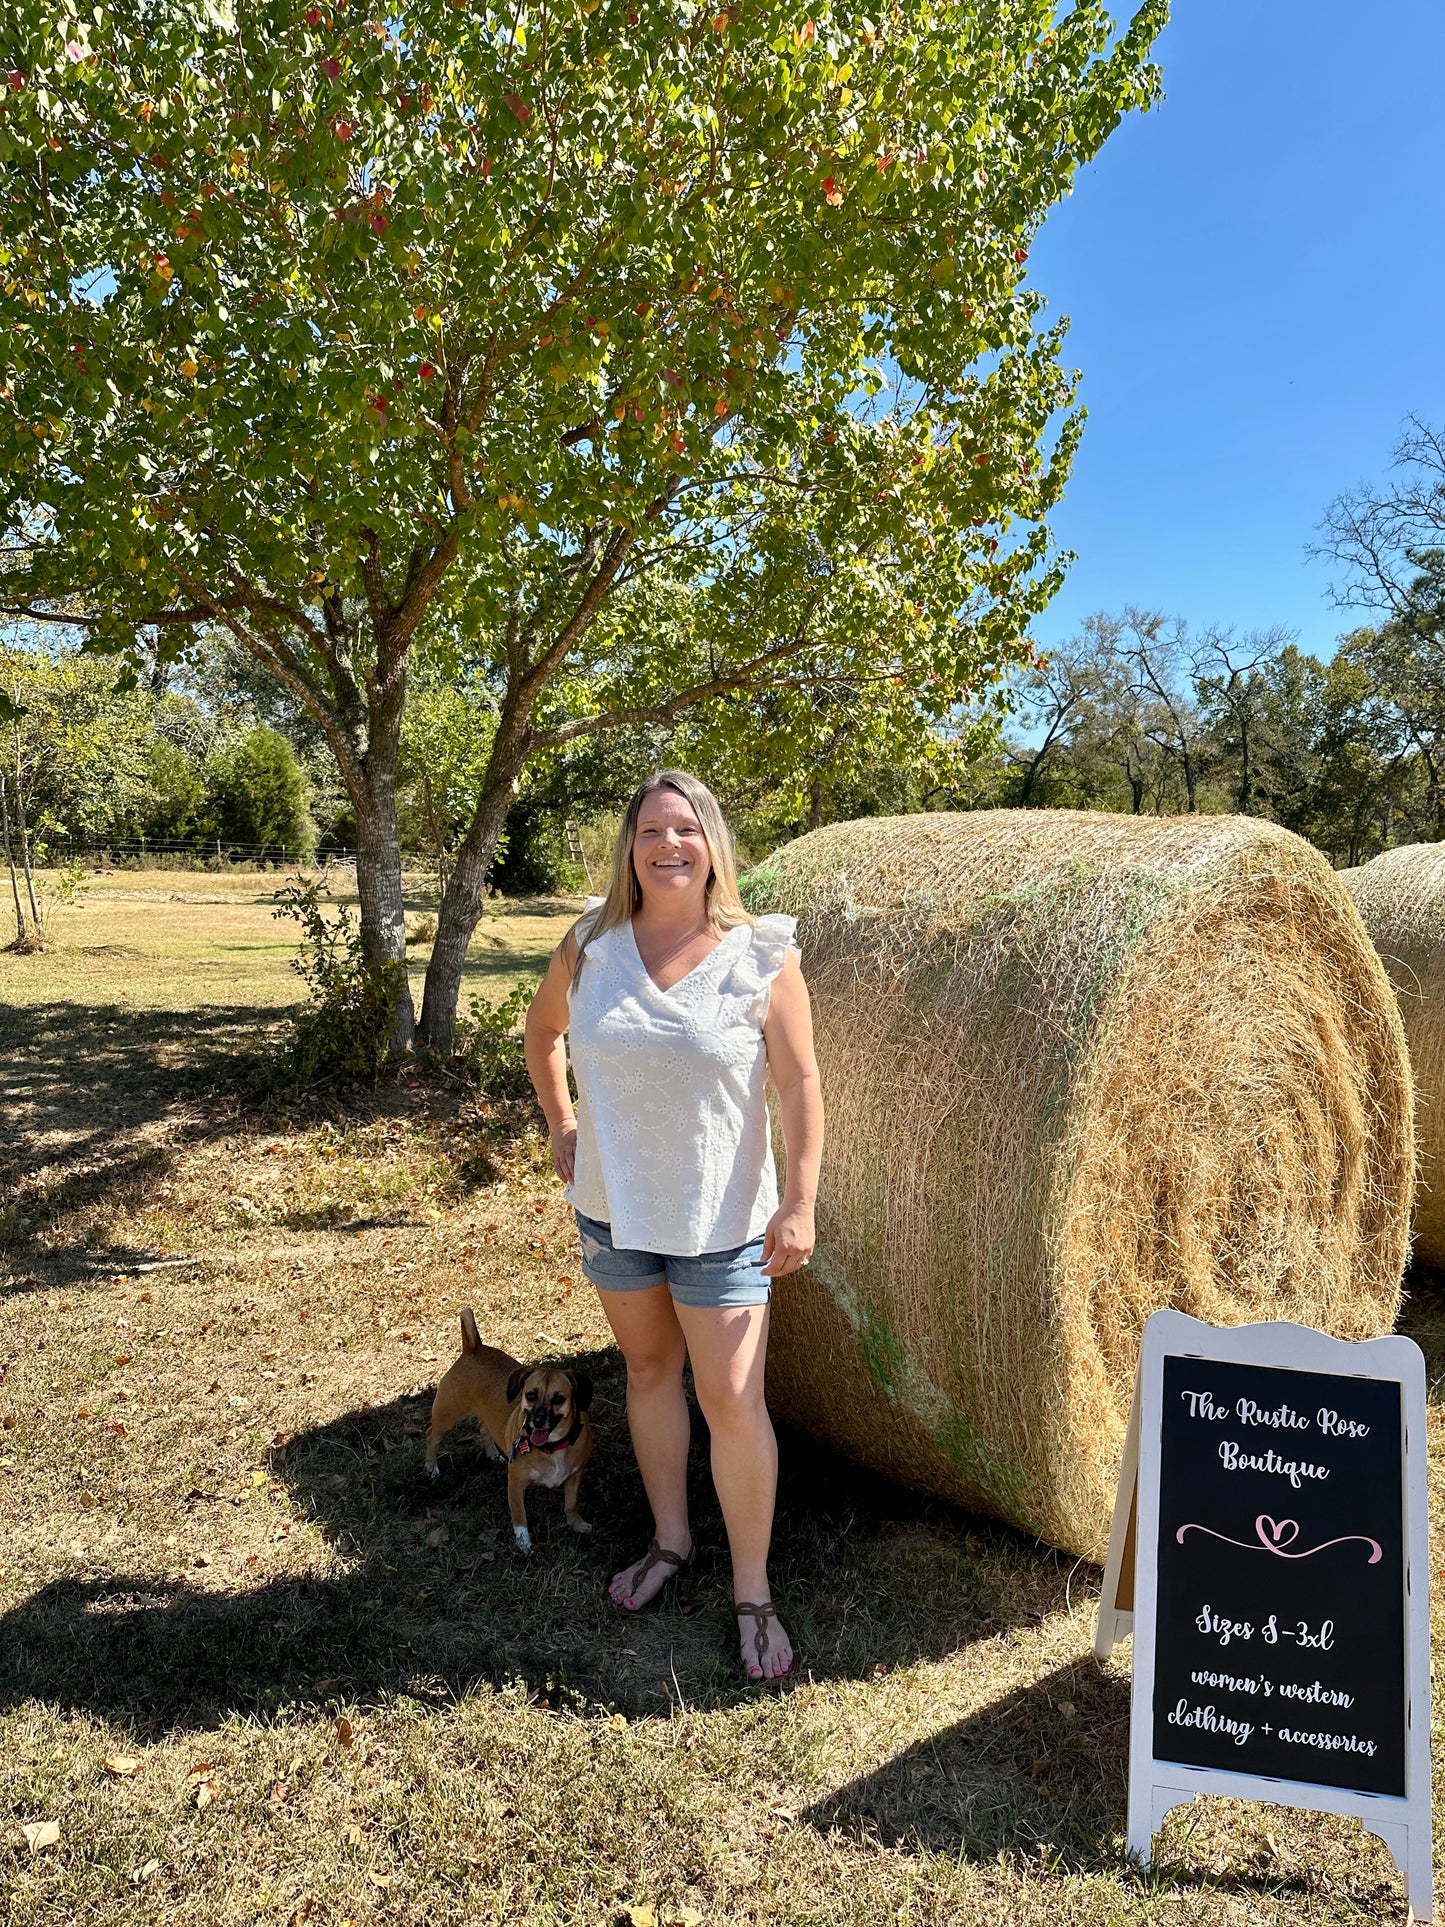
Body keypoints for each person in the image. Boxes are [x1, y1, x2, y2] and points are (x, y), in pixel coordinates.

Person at [524, 770, 823, 1682]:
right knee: (650, 1373)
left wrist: (800, 1198)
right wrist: (562, 1123)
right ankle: (669, 1541)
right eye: (650, 827)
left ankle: (752, 1590)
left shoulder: (758, 953)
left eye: (685, 828)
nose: (667, 843)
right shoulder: (590, 944)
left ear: (711, 845)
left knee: (731, 1400)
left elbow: (799, 1082)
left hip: (725, 1223)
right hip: (617, 1216)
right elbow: (542, 1036)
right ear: (630, 845)